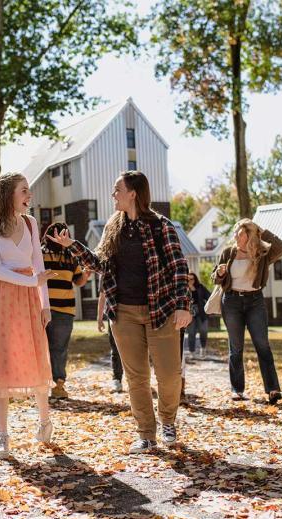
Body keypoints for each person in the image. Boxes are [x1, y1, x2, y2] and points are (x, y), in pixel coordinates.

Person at [47, 170, 191, 454]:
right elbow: (99, 263)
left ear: (133, 193)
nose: (113, 195)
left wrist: (183, 305)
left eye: (117, 190)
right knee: (136, 376)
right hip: (123, 312)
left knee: (170, 374)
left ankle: (168, 421)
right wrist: (71, 246)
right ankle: (146, 434)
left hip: (159, 310)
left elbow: (178, 266)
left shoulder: (161, 226)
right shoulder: (114, 225)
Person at [0, 172, 56, 459]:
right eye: (24, 190)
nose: (29, 196)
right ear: (8, 194)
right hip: (0, 297)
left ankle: (45, 422)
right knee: (1, 362)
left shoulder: (31, 223)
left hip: (29, 298)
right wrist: (32, 283)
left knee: (37, 356)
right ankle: (2, 436)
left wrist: (44, 302)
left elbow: (38, 263)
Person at [212, 218, 282, 404]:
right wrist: (220, 273)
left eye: (240, 232)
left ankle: (273, 389)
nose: (236, 235)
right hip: (231, 302)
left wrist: (262, 231)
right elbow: (215, 278)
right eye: (236, 232)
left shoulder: (261, 254)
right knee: (235, 348)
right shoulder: (228, 252)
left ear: (249, 235)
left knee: (263, 345)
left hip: (255, 301)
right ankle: (237, 390)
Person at [42, 222, 91, 399]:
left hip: (62, 310)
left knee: (57, 348)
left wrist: (85, 275)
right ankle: (46, 385)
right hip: (43, 309)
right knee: (49, 348)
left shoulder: (71, 256)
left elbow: (78, 281)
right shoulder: (39, 254)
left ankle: (57, 384)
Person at [97, 290, 124, 393]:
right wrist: (99, 319)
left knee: (137, 348)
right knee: (115, 348)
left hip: (134, 311)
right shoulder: (106, 273)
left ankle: (140, 380)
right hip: (114, 314)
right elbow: (102, 295)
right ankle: (117, 379)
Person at [186, 273, 211, 359]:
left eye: (192, 279)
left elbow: (209, 296)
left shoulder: (200, 287)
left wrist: (210, 307)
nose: (190, 281)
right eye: (188, 279)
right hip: (189, 313)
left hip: (201, 312)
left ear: (195, 279)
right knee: (191, 333)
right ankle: (192, 352)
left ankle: (203, 348)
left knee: (203, 331)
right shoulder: (184, 289)